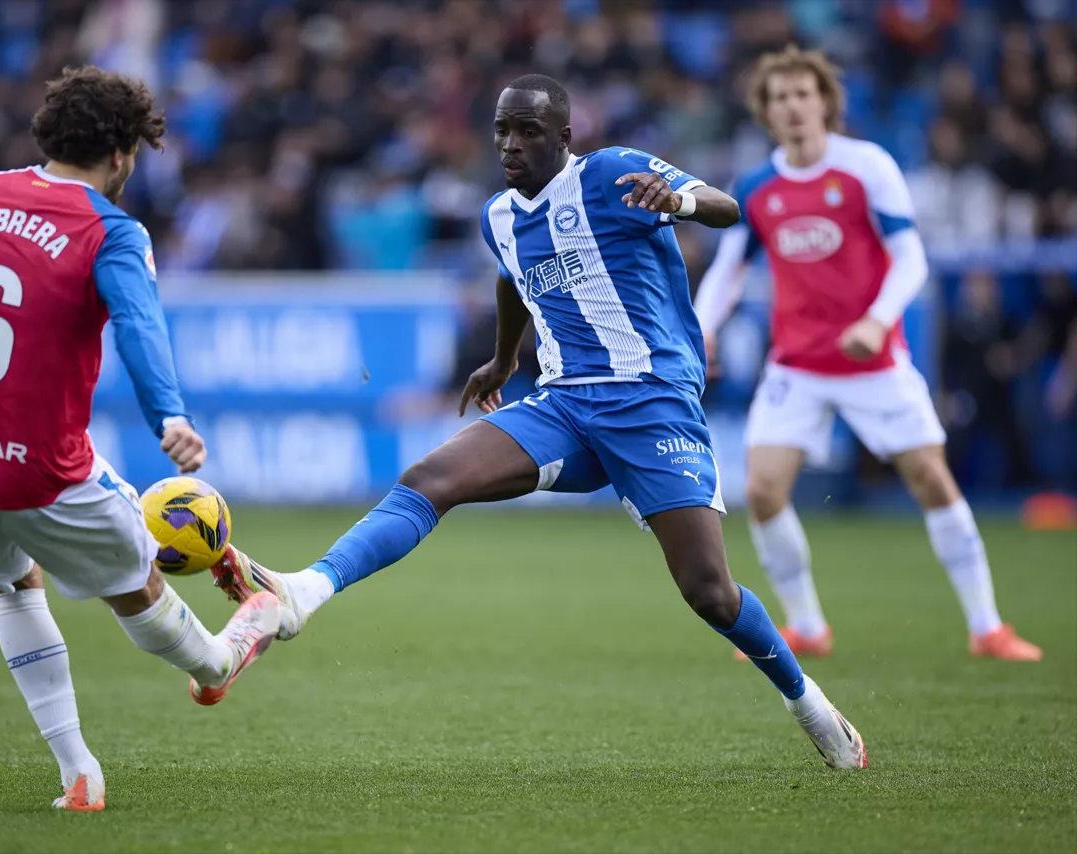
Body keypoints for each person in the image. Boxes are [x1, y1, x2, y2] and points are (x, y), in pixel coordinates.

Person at [216, 74, 868, 769]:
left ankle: (807, 702)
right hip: (565, 405)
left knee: (708, 591)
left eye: (528, 131)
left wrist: (676, 198)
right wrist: (501, 361)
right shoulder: (498, 214)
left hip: (650, 401)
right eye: (502, 130)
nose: (511, 143)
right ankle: (300, 595)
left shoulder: (615, 172)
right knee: (432, 476)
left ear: (563, 137)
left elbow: (726, 207)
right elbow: (512, 276)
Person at [0, 66, 280, 812]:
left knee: (16, 583)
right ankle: (229, 650)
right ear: (121, 157)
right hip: (44, 476)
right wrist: (169, 418)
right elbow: (140, 327)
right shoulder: (112, 231)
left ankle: (78, 772)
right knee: (139, 588)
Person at [691, 46, 1042, 662]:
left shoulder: (865, 167)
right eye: (780, 98)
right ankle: (806, 626)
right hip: (796, 365)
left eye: (804, 94)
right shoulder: (757, 187)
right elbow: (727, 270)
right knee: (766, 490)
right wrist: (703, 328)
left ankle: (987, 627)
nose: (794, 107)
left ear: (825, 100)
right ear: (765, 112)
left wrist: (879, 322)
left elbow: (911, 257)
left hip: (873, 361)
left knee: (931, 478)